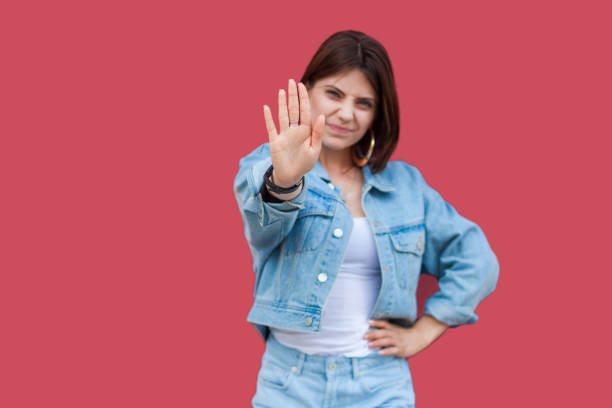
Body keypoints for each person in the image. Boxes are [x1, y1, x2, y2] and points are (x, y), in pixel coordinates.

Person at [234, 30, 499, 407]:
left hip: (378, 385)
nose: (346, 113)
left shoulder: (406, 186)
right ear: (307, 91)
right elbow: (262, 226)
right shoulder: (267, 166)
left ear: (378, 113)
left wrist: (426, 329)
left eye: (364, 102)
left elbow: (478, 261)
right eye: (334, 94)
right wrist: (287, 178)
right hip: (288, 384)